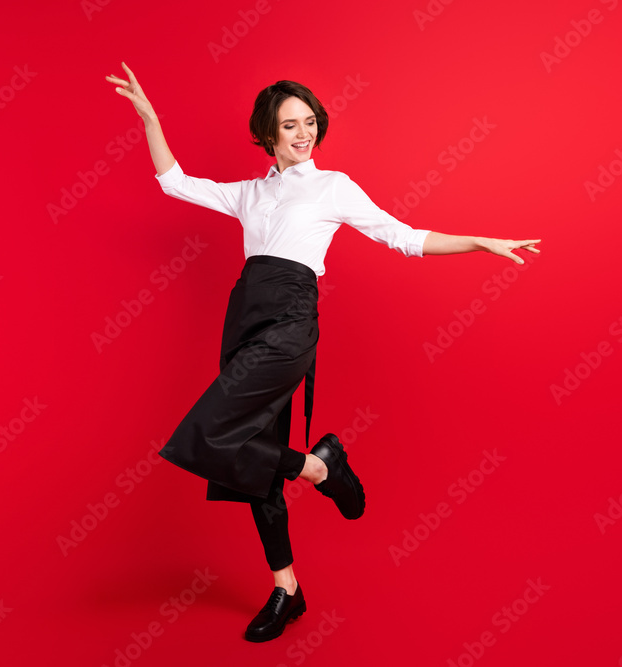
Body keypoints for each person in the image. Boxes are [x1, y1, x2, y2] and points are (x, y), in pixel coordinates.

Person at [105, 61, 541, 642]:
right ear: (267, 133)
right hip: (243, 320)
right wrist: (151, 120)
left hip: (289, 323)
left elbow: (405, 237)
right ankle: (288, 585)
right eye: (290, 125)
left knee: (211, 435)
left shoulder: (333, 186)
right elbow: (175, 182)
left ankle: (318, 466)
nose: (303, 133)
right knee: (250, 465)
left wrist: (478, 242)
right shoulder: (251, 195)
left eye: (309, 122)